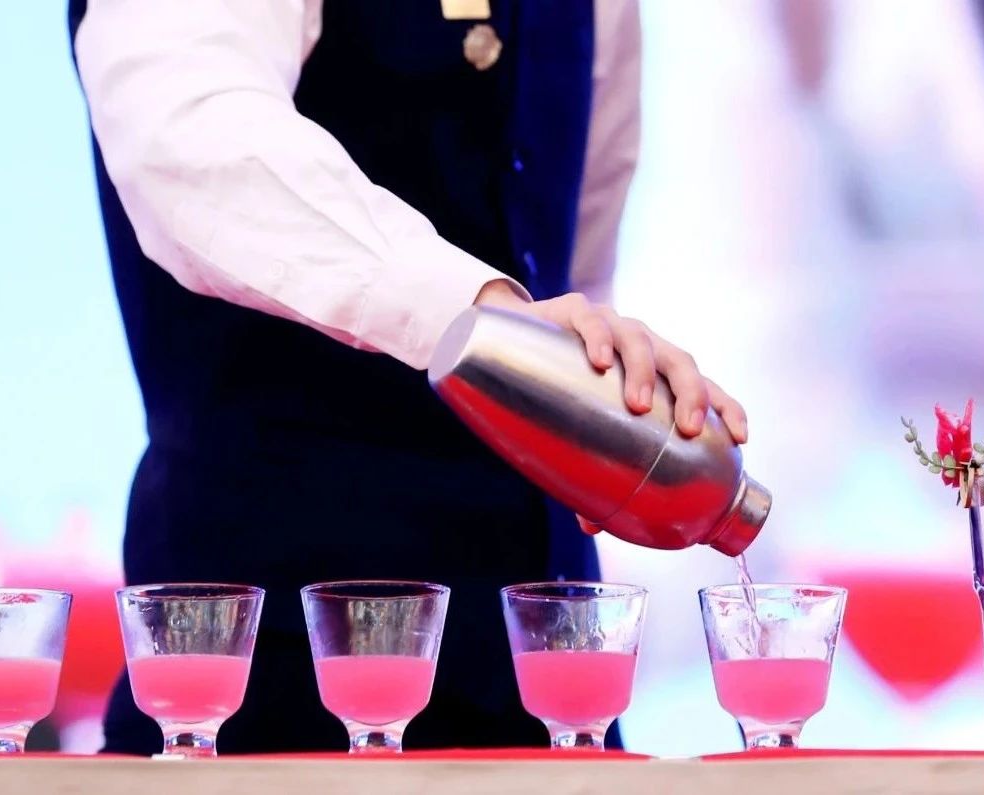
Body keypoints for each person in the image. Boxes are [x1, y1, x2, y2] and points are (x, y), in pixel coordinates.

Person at [67, 0, 748, 753]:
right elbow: (189, 140)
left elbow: (574, 261)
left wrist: (606, 395)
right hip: (267, 682)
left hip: (548, 691)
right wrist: (486, 321)